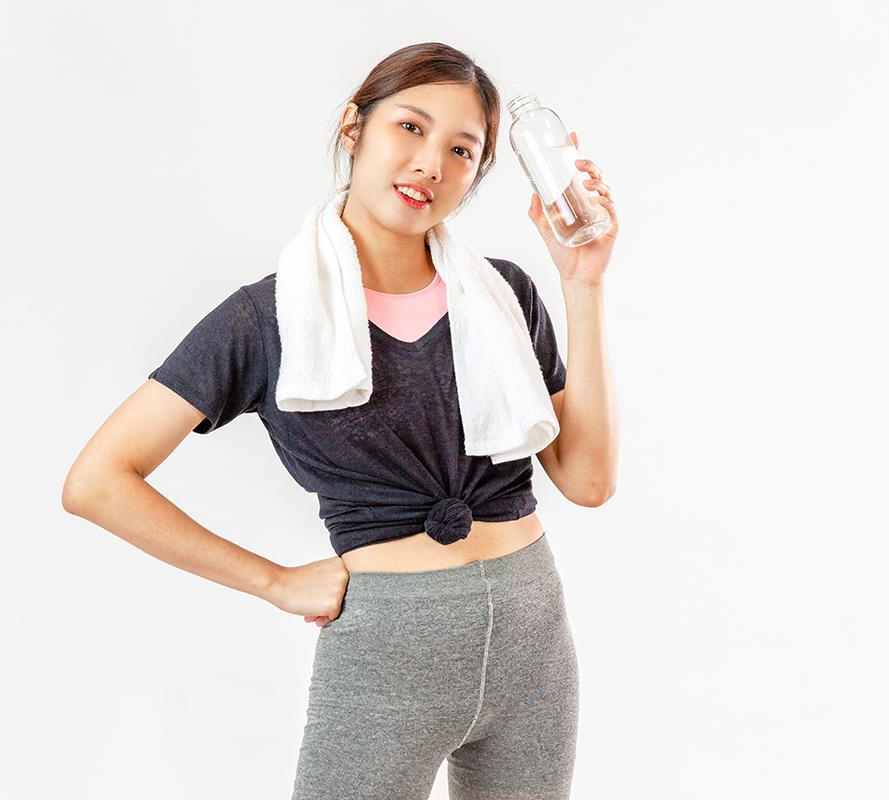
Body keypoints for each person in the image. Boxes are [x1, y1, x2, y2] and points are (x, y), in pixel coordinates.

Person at [62, 41, 619, 800]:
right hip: (387, 655)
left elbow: (587, 481)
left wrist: (580, 283)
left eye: (462, 150)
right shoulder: (267, 319)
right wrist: (272, 582)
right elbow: (97, 482)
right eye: (410, 128)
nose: (431, 163)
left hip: (534, 645)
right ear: (354, 129)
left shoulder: (505, 296)